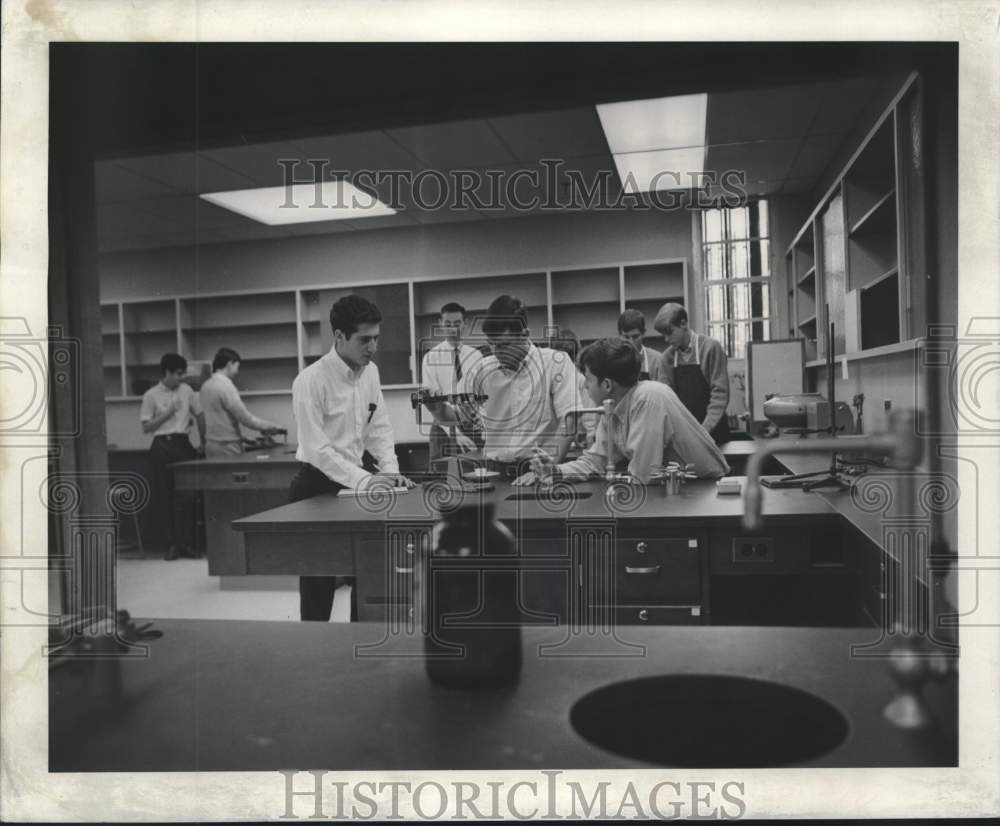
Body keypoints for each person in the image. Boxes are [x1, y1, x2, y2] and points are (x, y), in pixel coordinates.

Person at [290, 294, 414, 622]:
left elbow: (379, 428)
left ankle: (361, 640)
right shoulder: (310, 380)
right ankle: (317, 647)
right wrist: (367, 480)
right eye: (364, 339)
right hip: (317, 483)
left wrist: (391, 471)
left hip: (359, 480)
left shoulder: (370, 372)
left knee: (367, 567)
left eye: (376, 338)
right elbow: (317, 449)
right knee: (319, 578)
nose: (372, 347)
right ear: (339, 337)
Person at [529, 337, 729, 484]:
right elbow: (596, 461)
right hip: (680, 489)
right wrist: (556, 471)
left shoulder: (649, 398)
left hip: (707, 488)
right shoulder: (614, 407)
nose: (585, 386)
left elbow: (643, 474)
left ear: (607, 384)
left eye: (588, 378)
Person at [452, 294, 579, 481]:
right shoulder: (482, 369)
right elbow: (460, 415)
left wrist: (543, 470)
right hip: (494, 470)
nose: (496, 352)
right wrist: (439, 410)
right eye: (491, 344)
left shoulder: (555, 363)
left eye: (503, 345)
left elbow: (570, 423)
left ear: (525, 335)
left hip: (537, 468)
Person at [139, 353, 206, 560]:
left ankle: (186, 544)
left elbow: (200, 414)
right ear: (166, 372)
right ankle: (171, 545)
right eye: (178, 374)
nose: (181, 378)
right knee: (164, 496)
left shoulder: (187, 391)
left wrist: (204, 441)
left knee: (187, 497)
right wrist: (167, 415)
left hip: (182, 444)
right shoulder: (151, 395)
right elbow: (146, 427)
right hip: (161, 446)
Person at [653, 302, 731, 444]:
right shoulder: (667, 358)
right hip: (685, 436)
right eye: (663, 335)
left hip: (715, 433)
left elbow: (720, 394)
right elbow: (666, 401)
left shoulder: (710, 348)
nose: (666, 339)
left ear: (683, 324)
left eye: (669, 333)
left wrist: (704, 431)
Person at [419, 302, 484, 464]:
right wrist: (454, 432)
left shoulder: (476, 356)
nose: (453, 329)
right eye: (448, 324)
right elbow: (433, 402)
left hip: (473, 425)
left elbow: (481, 398)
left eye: (457, 323)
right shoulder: (431, 357)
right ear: (440, 324)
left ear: (465, 324)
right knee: (441, 476)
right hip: (443, 427)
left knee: (479, 473)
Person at [199, 347, 282, 457]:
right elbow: (246, 419)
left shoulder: (205, 385)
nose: (237, 371)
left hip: (210, 446)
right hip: (228, 447)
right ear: (230, 364)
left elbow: (216, 419)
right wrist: (272, 426)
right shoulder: (226, 386)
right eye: (237, 366)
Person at [548, 328, 597, 449]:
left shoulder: (580, 379)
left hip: (574, 445)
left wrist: (589, 441)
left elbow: (589, 417)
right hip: (561, 443)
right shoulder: (554, 379)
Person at [617, 308, 664, 382]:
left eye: (635, 337)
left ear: (643, 333)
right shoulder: (612, 361)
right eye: (626, 337)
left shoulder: (657, 360)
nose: (631, 342)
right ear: (619, 335)